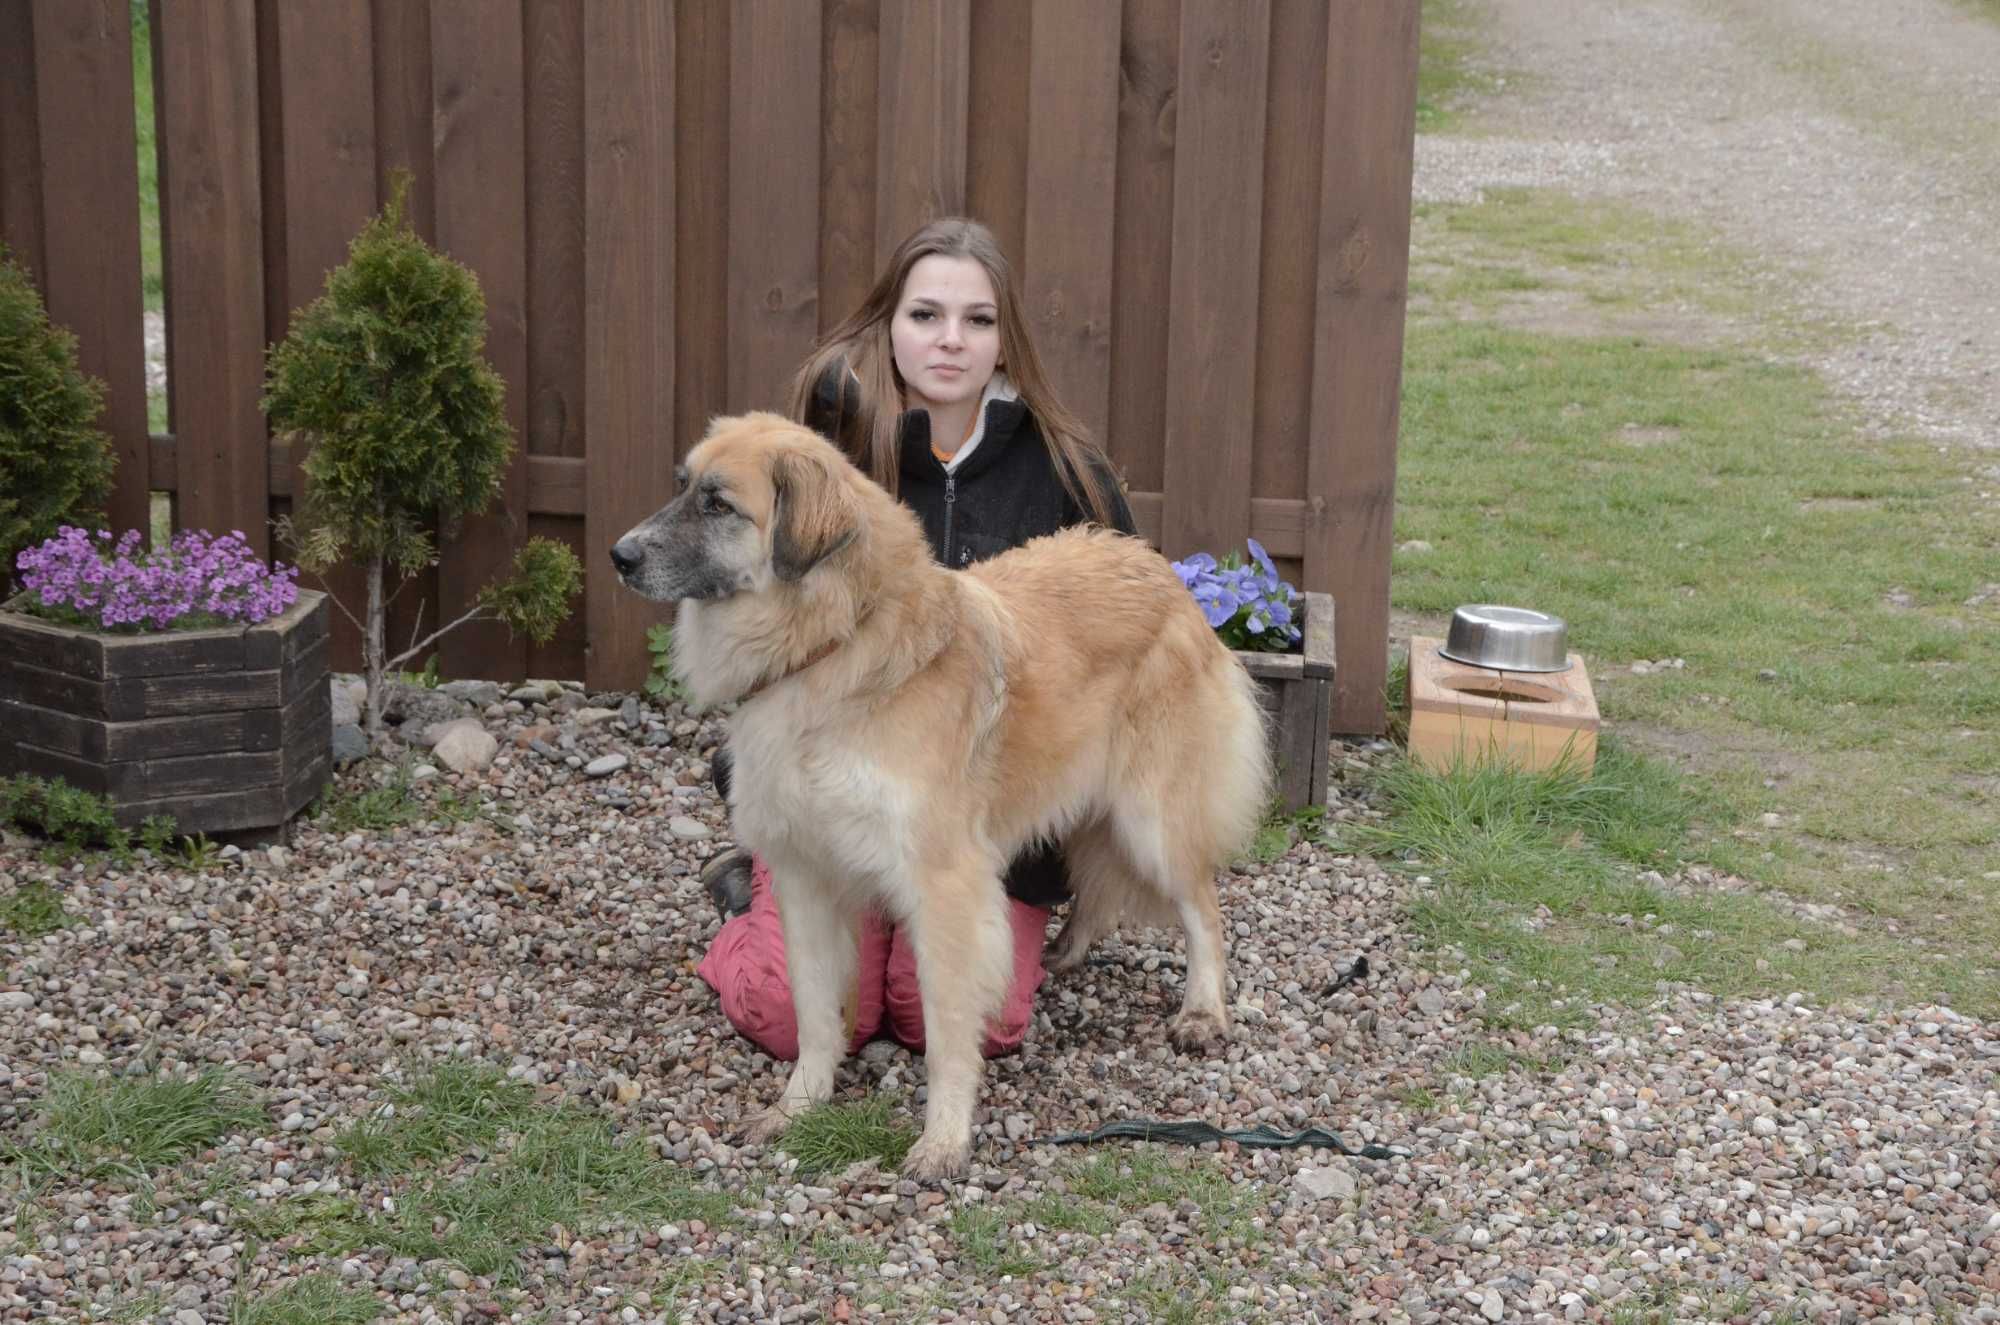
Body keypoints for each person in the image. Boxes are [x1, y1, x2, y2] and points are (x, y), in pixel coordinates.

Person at [695, 216, 1136, 1061]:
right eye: (925, 315)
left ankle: (926, 944)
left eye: (977, 320)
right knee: (802, 1017)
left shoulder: (1069, 472)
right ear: (886, 325)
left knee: (962, 1022)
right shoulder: (828, 460)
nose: (950, 341)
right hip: (839, 801)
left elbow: (1111, 645)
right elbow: (754, 646)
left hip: (987, 818)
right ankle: (749, 914)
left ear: (1006, 341)